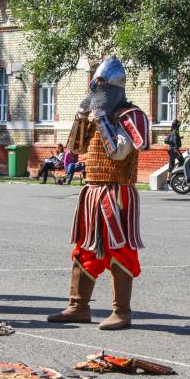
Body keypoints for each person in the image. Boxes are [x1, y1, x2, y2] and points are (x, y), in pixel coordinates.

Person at [47, 56, 149, 330]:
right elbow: (76, 149)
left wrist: (102, 119)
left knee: (120, 250)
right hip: (92, 192)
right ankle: (78, 306)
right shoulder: (95, 113)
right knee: (85, 249)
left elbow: (119, 152)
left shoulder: (132, 115)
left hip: (118, 192)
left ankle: (122, 312)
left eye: (102, 90)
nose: (98, 96)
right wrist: (82, 118)